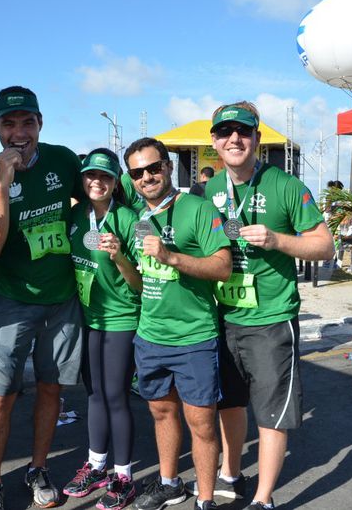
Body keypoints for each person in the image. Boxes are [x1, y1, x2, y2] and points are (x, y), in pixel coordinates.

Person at [201, 102, 333, 510]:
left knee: (272, 412)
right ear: (215, 142)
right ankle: (232, 472)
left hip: (271, 317)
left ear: (258, 138)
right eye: (225, 133)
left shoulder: (287, 185)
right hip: (223, 316)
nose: (234, 139)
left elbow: (325, 246)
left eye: (243, 132)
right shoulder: (210, 189)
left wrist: (278, 241)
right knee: (230, 402)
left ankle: (263, 498)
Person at [0, 86, 84, 510]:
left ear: (40, 123)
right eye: (10, 124)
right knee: (1, 396)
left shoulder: (63, 159)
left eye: (28, 122)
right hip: (14, 301)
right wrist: (4, 179)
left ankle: (38, 468)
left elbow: (94, 201)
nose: (20, 132)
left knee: (51, 390)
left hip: (63, 298)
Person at [122, 137, 231, 510]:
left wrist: (171, 257)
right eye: (138, 172)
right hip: (150, 336)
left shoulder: (198, 210)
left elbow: (223, 266)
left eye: (154, 167)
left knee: (201, 423)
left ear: (168, 166)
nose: (147, 177)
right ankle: (169, 484)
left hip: (194, 337)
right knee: (161, 412)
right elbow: (142, 280)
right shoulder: (139, 217)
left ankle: (204, 499)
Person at [62, 149, 141, 509]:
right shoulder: (75, 215)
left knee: (115, 396)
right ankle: (96, 466)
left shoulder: (130, 218)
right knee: (93, 395)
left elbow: (141, 283)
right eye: (91, 176)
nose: (98, 182)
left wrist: (119, 255)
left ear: (115, 182)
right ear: (83, 179)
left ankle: (123, 477)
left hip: (121, 319)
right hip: (88, 318)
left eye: (106, 177)